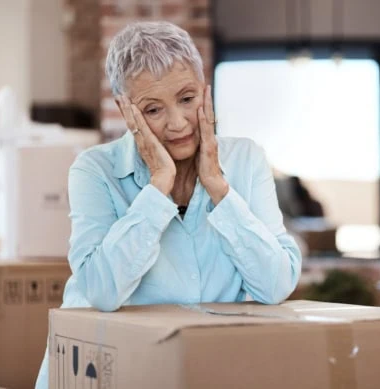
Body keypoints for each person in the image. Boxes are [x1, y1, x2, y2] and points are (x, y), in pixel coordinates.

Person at [34, 20, 301, 388]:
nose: (178, 124)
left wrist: (219, 188)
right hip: (102, 372)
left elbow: (276, 285)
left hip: (193, 372)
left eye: (187, 99)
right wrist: (159, 185)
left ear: (205, 91)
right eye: (153, 110)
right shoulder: (95, 170)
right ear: (125, 110)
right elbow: (101, 290)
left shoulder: (245, 161)